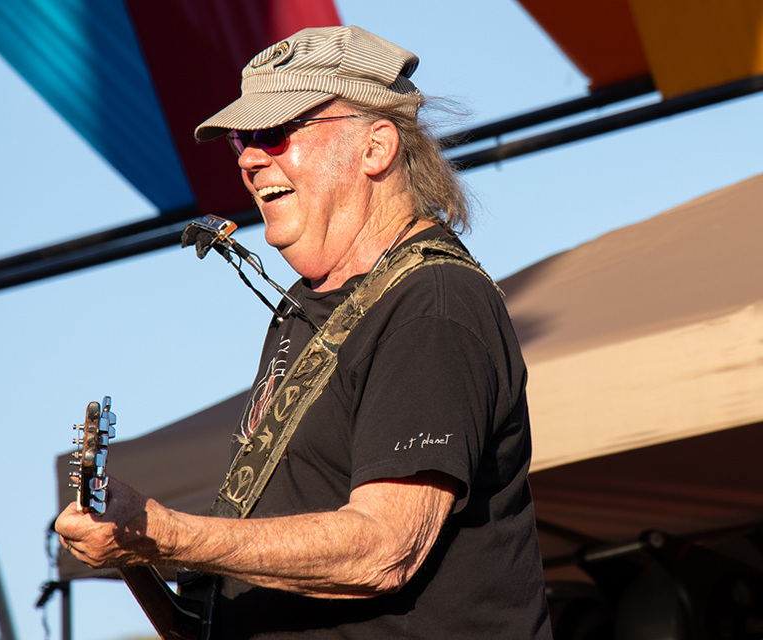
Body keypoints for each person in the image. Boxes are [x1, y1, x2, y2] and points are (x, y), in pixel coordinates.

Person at [56, 25, 550, 639]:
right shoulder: (306, 307)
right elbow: (203, 618)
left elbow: (384, 549)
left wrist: (165, 532)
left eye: (275, 132)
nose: (248, 157)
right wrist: (135, 551)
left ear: (376, 148)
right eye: (243, 137)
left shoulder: (433, 303)